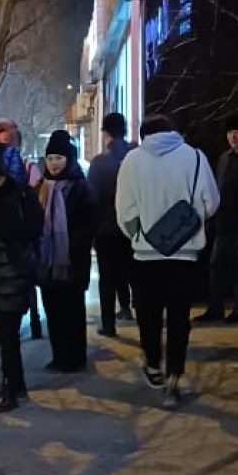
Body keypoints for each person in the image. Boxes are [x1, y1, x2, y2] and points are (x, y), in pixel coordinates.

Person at [116, 114, 219, 409]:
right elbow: (211, 202)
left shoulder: (132, 161)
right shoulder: (195, 157)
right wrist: (190, 224)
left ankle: (153, 365)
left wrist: (140, 234)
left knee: (148, 315)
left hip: (145, 254)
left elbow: (124, 210)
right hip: (185, 254)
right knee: (178, 318)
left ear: (144, 134)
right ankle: (174, 375)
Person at [0, 143, 44, 412]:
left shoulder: (22, 197)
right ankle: (16, 384)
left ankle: (9, 388)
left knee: (8, 336)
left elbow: (31, 228)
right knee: (5, 335)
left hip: (13, 273)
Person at [195, 113, 238, 324]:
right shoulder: (224, 158)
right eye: (230, 132)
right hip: (222, 223)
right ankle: (215, 309)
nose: (233, 137)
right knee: (216, 266)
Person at [37, 130, 97, 373]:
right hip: (47, 262)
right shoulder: (41, 187)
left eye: (59, 158)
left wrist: (74, 245)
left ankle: (75, 358)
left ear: (69, 159)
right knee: (52, 310)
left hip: (72, 261)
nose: (54, 163)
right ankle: (58, 356)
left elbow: (90, 222)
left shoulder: (81, 187)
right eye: (50, 158)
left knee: (72, 310)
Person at [0, 118, 43, 339]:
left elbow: (35, 205)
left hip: (22, 240)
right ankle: (2, 327)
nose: (4, 148)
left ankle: (34, 319)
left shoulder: (28, 168)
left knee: (26, 282)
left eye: (8, 142)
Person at [87, 112, 136, 337]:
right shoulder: (135, 158)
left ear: (106, 133)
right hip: (133, 227)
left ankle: (108, 324)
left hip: (106, 229)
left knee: (107, 277)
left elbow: (91, 198)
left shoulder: (99, 163)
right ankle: (133, 311)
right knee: (133, 272)